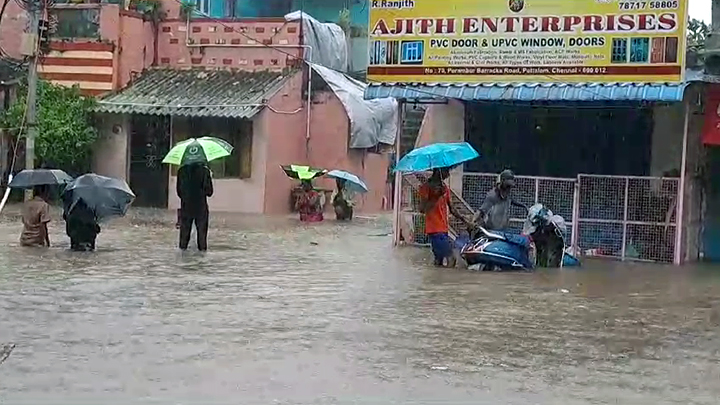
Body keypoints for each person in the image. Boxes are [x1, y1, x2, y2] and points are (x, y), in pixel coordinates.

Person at [419, 168, 469, 267]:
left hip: (443, 229)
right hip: (434, 230)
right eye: (446, 171)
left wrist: (464, 220)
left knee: (438, 260)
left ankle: (437, 280)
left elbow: (452, 208)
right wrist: (436, 197)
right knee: (451, 258)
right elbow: (422, 209)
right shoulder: (426, 187)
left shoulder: (444, 188)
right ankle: (448, 282)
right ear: (439, 171)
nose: (448, 174)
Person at [177, 163, 214, 251]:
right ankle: (202, 261)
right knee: (202, 238)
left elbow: (179, 192)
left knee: (184, 239)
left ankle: (182, 262)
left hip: (186, 207)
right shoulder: (205, 171)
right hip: (201, 208)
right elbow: (209, 192)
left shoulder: (181, 171)